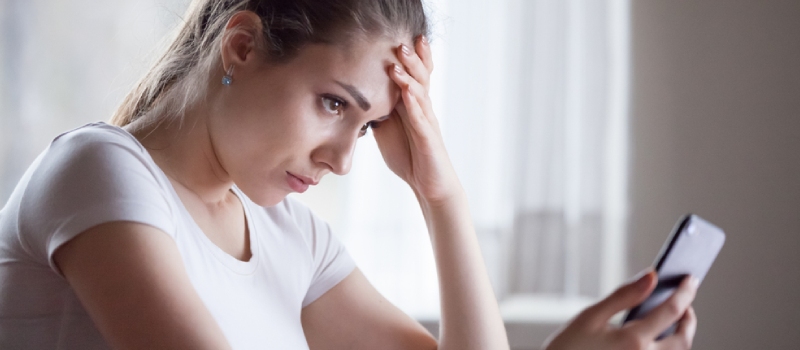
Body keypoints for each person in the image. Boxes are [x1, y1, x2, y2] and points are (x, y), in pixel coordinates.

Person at [0, 0, 699, 349]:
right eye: (334, 103)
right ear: (240, 46)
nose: (342, 160)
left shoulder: (289, 236)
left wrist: (439, 192)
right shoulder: (102, 171)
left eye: (366, 126)